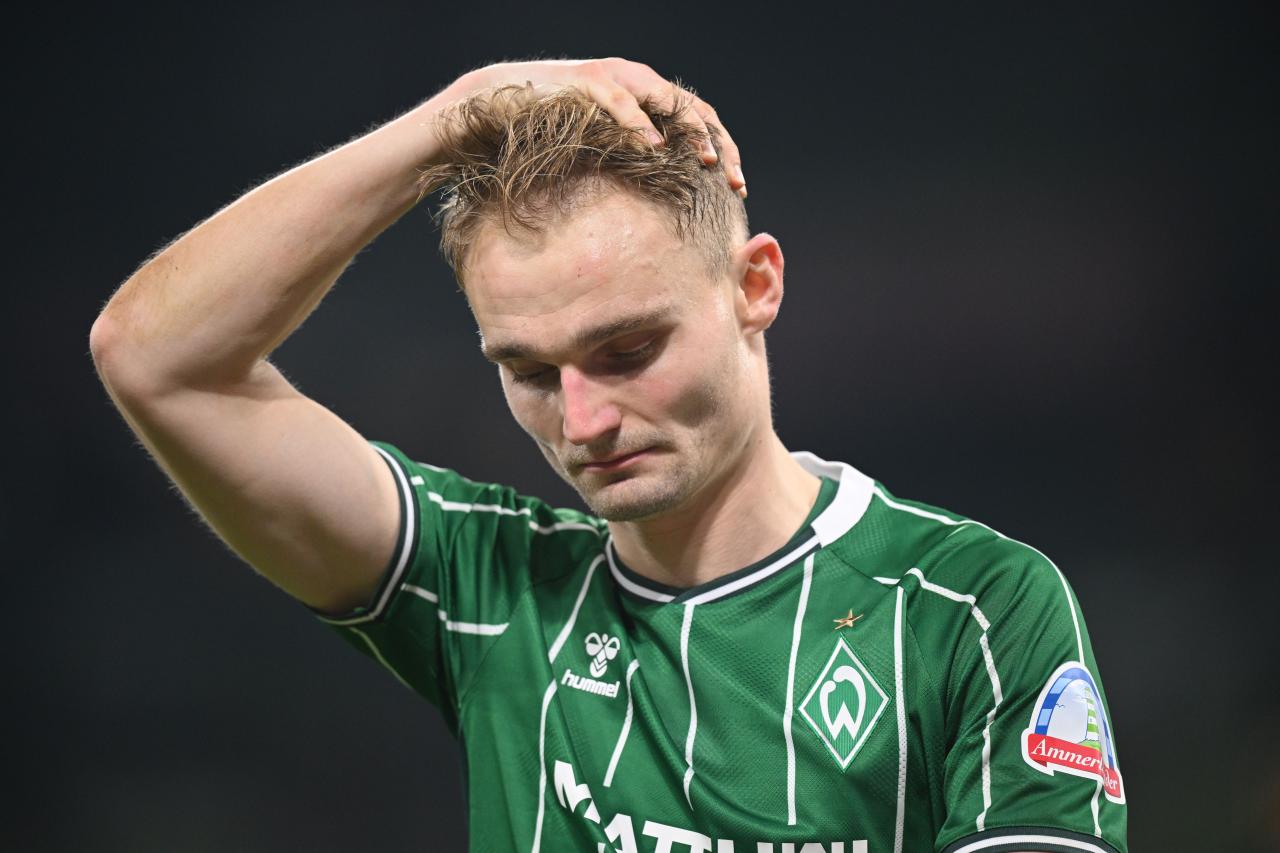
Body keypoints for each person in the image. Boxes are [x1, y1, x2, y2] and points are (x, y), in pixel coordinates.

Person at [90, 58, 1127, 853]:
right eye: (529, 371)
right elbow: (154, 357)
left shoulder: (971, 607)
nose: (582, 422)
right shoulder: (489, 588)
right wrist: (453, 115)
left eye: (626, 351)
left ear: (753, 286)